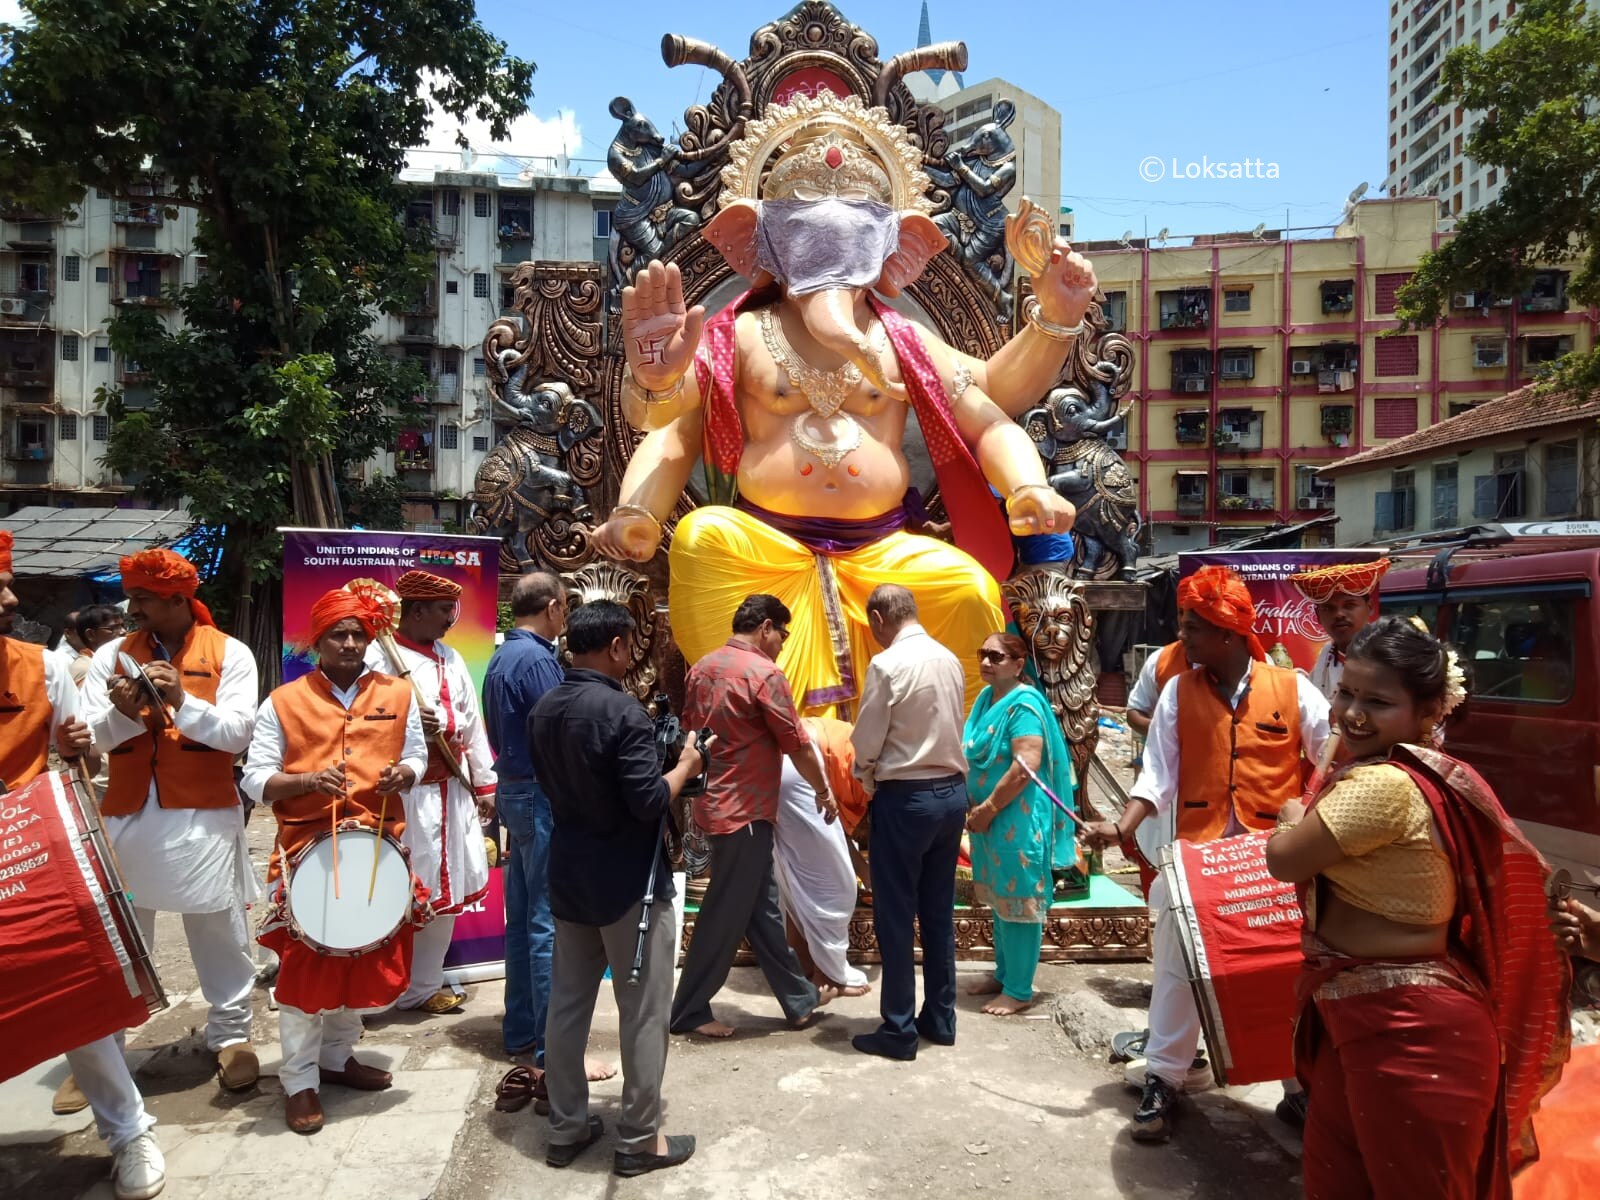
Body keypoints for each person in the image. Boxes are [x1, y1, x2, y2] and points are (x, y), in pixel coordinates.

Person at [592, 90, 1097, 720]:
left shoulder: (902, 341)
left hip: (884, 549)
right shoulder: (740, 335)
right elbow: (665, 429)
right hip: (764, 547)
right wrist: (649, 420)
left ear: (897, 248)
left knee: (966, 588)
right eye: (807, 244)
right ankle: (766, 729)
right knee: (699, 536)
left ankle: (937, 753)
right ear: (760, 244)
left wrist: (1051, 331)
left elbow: (993, 405)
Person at [1265, 617, 1569, 1199]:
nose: (1352, 713)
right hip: (1358, 1013)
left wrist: (1289, 816)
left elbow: (1284, 859)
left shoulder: (1384, 785)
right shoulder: (1402, 776)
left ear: (1428, 713)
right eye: (1346, 693)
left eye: (1377, 702)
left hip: (1411, 1029)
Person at [1083, 565, 1330, 1141]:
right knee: (1176, 962)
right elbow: (1156, 777)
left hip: (1272, 862)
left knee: (1280, 968)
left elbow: (1332, 756)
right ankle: (1165, 1078)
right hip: (1196, 858)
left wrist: (1313, 818)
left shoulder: (1294, 689)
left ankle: (1296, 1086)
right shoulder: (1177, 690)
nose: (1183, 637)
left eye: (1192, 627)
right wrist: (1120, 829)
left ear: (1226, 631)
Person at [0, 532, 165, 1200]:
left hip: (30, 865)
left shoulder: (37, 668)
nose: (11, 597)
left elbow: (85, 752)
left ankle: (130, 1134)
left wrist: (86, 741)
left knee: (79, 998)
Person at [528, 600, 707, 1176]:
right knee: (644, 1010)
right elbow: (649, 801)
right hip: (629, 882)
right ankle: (639, 1139)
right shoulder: (622, 713)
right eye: (631, 644)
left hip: (571, 873)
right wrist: (685, 763)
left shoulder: (545, 708)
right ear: (617, 647)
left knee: (568, 1005)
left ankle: (567, 1127)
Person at [241, 587, 428, 1134]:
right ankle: (298, 1081)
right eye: (337, 635)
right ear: (316, 641)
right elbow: (255, 778)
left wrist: (407, 774)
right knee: (306, 973)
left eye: (358, 635)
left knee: (359, 954)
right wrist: (302, 780)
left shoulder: (398, 693)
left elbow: (416, 752)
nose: (349, 643)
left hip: (376, 849)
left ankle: (337, 1057)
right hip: (306, 855)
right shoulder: (282, 701)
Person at [78, 548, 261, 1094]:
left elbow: (237, 734)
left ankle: (231, 1036)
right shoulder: (111, 655)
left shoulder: (232, 653)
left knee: (218, 925)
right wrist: (123, 712)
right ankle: (106, 1054)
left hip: (203, 811)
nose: (131, 607)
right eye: (132, 596)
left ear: (178, 600)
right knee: (126, 933)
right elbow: (91, 739)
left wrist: (181, 699)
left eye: (141, 598)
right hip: (129, 811)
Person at [669, 594, 838, 1038]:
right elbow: (797, 743)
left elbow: (693, 729)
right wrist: (823, 789)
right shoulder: (764, 673)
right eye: (782, 633)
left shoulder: (703, 666)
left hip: (716, 804)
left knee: (759, 907)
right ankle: (688, 1008)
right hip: (744, 810)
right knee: (724, 911)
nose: (783, 643)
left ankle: (799, 1000)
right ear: (765, 627)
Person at [366, 569, 497, 1014]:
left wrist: (484, 782)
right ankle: (373, 993)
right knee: (396, 892)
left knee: (448, 895)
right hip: (404, 796)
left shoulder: (452, 657)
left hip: (452, 793)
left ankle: (422, 988)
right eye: (443, 612)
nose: (449, 620)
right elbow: (363, 723)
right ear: (416, 611)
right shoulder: (376, 657)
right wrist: (406, 723)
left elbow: (472, 719)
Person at [849, 584, 970, 1060]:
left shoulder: (887, 665)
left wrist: (866, 777)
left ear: (879, 618)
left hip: (907, 796)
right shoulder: (949, 658)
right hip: (950, 795)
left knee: (896, 916)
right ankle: (940, 1018)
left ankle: (898, 1028)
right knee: (938, 913)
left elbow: (867, 741)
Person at [962, 632, 1078, 1016]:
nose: (987, 662)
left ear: (1018, 664)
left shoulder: (1024, 704)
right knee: (999, 897)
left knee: (1020, 900)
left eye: (996, 656)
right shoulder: (985, 699)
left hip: (1016, 817)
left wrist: (990, 807)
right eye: (983, 654)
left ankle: (1019, 989)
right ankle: (1003, 972)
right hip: (988, 818)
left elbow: (1025, 765)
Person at [773, 715, 872, 998]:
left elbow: (836, 828)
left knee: (797, 880)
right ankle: (828, 976)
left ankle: (801, 963)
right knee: (834, 888)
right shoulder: (871, 762)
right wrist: (864, 869)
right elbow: (835, 821)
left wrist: (863, 867)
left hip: (779, 765)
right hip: (803, 763)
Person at [1288, 558, 1390, 700]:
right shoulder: (1327, 653)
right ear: (1318, 617)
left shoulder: (1390, 655)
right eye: (1328, 608)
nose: (1339, 614)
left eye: (1349, 605)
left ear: (1370, 607)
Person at [70, 605, 126, 687]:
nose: (123, 631)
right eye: (113, 628)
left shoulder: (114, 660)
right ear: (91, 634)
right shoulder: (85, 668)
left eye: (123, 626)